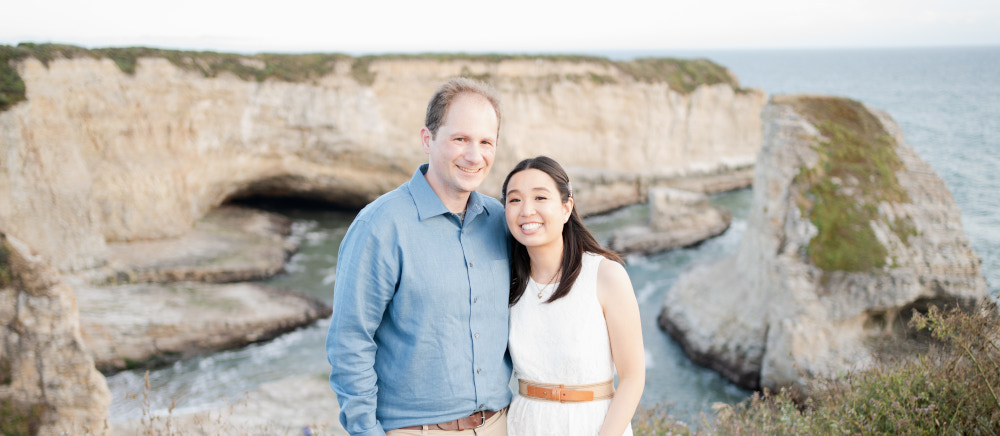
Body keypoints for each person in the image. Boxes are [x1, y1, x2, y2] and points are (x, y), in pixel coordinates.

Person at [326, 78, 512, 436]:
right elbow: (349, 340)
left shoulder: (501, 221)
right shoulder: (379, 225)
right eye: (460, 139)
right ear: (428, 139)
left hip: (499, 425)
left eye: (486, 142)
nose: (475, 156)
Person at [500, 156, 645, 436]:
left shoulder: (605, 275)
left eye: (540, 197)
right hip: (525, 424)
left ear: (567, 207)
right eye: (514, 200)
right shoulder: (510, 281)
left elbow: (633, 377)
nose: (526, 210)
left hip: (592, 424)